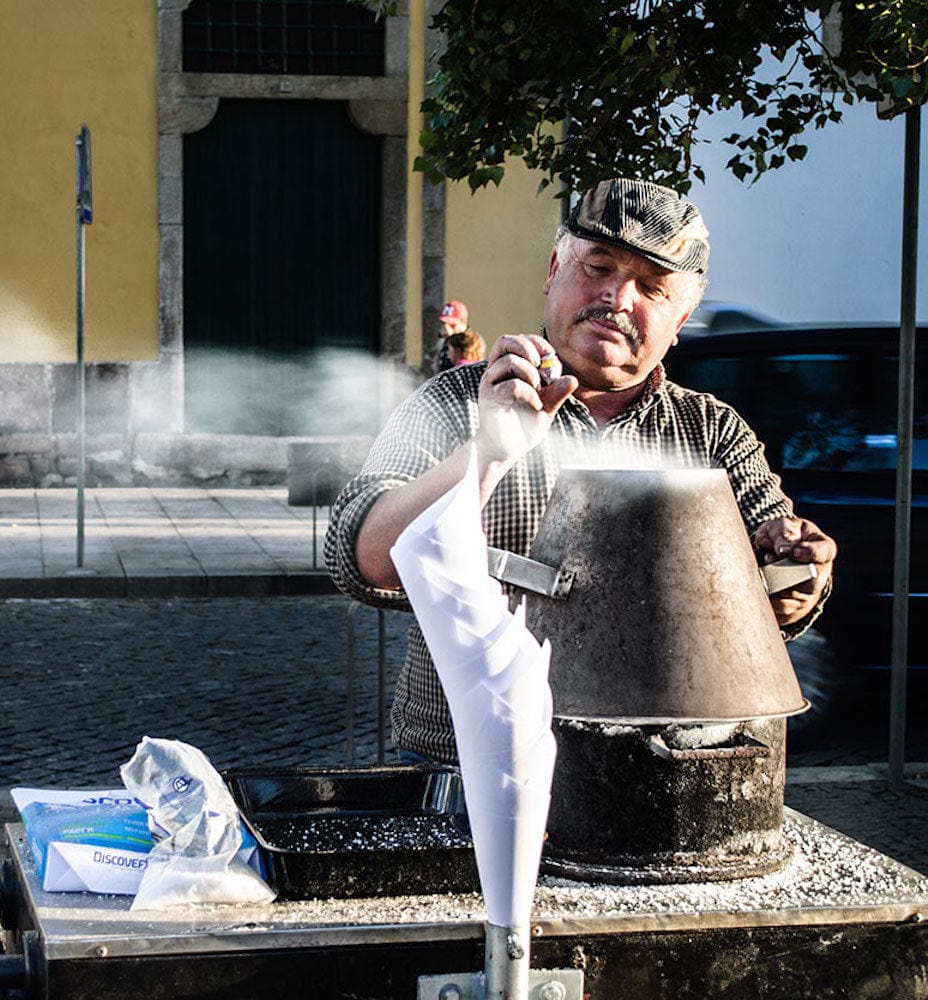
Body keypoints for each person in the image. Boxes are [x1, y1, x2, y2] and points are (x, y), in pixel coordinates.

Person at [325, 177, 837, 765]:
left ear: (681, 319)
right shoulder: (457, 401)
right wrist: (487, 453)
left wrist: (799, 573)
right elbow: (363, 561)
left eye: (652, 287)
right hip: (468, 763)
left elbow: (778, 597)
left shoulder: (714, 432)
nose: (617, 298)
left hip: (658, 771)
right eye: (597, 266)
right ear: (553, 270)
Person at [436, 299, 469, 372]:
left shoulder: (469, 344)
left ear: (463, 322)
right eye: (444, 324)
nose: (447, 328)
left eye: (452, 325)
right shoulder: (447, 342)